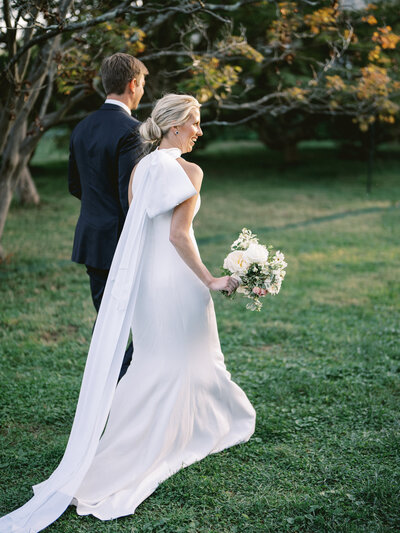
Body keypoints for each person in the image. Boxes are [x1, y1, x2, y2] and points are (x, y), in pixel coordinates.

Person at [0, 94, 255, 533]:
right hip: (176, 280)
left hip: (144, 284)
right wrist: (211, 279)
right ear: (174, 125)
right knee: (191, 355)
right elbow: (179, 235)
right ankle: (188, 432)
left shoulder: (141, 169)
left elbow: (145, 229)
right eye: (194, 123)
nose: (199, 131)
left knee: (153, 362)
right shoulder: (189, 171)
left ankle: (133, 441)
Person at [68, 52, 148, 380]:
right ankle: (124, 391)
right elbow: (132, 198)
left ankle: (107, 392)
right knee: (146, 327)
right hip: (124, 246)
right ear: (132, 84)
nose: (142, 90)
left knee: (108, 328)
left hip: (93, 241)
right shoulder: (134, 131)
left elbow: (76, 186)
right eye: (142, 84)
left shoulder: (82, 127)